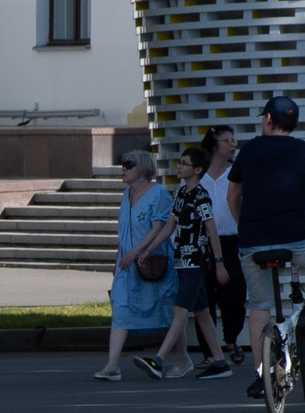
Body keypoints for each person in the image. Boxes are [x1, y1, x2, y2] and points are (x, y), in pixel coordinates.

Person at [222, 95, 305, 399]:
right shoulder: (303, 150)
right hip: (295, 237)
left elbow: (232, 196)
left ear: (269, 119)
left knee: (259, 305)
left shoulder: (249, 150)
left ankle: (261, 375)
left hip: (252, 240)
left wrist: (242, 225)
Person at [150, 145, 230, 379]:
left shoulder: (201, 196)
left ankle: (158, 359)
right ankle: (220, 362)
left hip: (196, 262)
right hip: (181, 262)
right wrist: (150, 249)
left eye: (184, 164)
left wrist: (219, 263)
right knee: (202, 312)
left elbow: (212, 230)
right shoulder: (181, 194)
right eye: (179, 163)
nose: (179, 167)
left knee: (179, 309)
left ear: (197, 169)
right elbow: (169, 226)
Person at [96, 150, 176, 381]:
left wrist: (135, 252)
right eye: (123, 164)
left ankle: (182, 358)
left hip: (151, 262)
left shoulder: (158, 193)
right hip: (127, 264)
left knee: (168, 311)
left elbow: (158, 226)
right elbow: (123, 233)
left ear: (141, 169)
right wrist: (119, 258)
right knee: (120, 308)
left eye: (128, 165)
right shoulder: (126, 194)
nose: (123, 168)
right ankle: (112, 365)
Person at [198, 124, 247, 354]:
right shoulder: (199, 175)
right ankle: (210, 351)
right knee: (204, 298)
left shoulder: (237, 172)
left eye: (233, 140)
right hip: (202, 243)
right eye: (227, 140)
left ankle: (231, 338)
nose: (232, 144)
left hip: (230, 242)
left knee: (234, 296)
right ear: (214, 145)